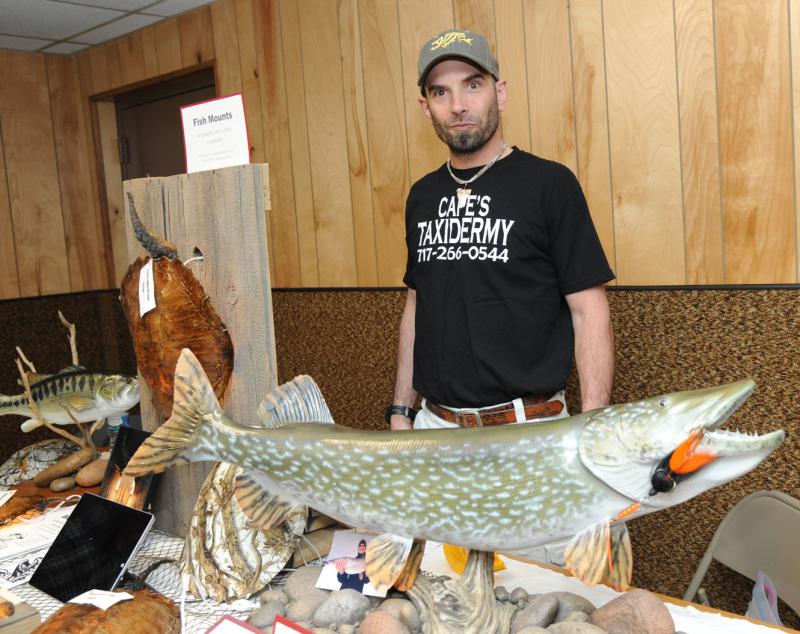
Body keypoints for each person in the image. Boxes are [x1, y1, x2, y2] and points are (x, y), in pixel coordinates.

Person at [387, 29, 615, 434]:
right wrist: (402, 411)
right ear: (426, 108)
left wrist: (591, 428)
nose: (458, 106)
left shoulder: (550, 185)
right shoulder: (421, 197)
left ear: (501, 93)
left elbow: (588, 310)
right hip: (433, 428)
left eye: (473, 85)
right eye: (441, 93)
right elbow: (417, 305)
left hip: (528, 428)